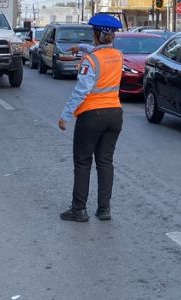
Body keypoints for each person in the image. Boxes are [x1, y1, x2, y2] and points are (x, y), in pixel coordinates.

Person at [57, 14, 124, 223]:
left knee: (83, 162)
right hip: (115, 114)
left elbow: (81, 91)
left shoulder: (90, 60)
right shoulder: (118, 55)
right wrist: (81, 47)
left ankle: (79, 210)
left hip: (92, 115)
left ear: (96, 34)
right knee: (105, 162)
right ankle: (104, 209)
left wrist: (65, 115)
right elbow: (100, 53)